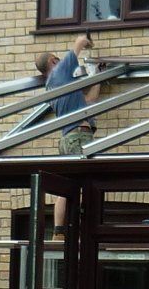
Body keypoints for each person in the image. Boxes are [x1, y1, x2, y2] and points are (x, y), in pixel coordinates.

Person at [34, 32, 102, 227]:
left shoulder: (55, 87)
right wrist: (88, 43)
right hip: (78, 136)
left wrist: (95, 75)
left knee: (69, 185)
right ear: (54, 61)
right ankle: (76, 227)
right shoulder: (58, 72)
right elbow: (79, 41)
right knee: (85, 184)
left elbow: (89, 101)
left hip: (69, 138)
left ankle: (59, 229)